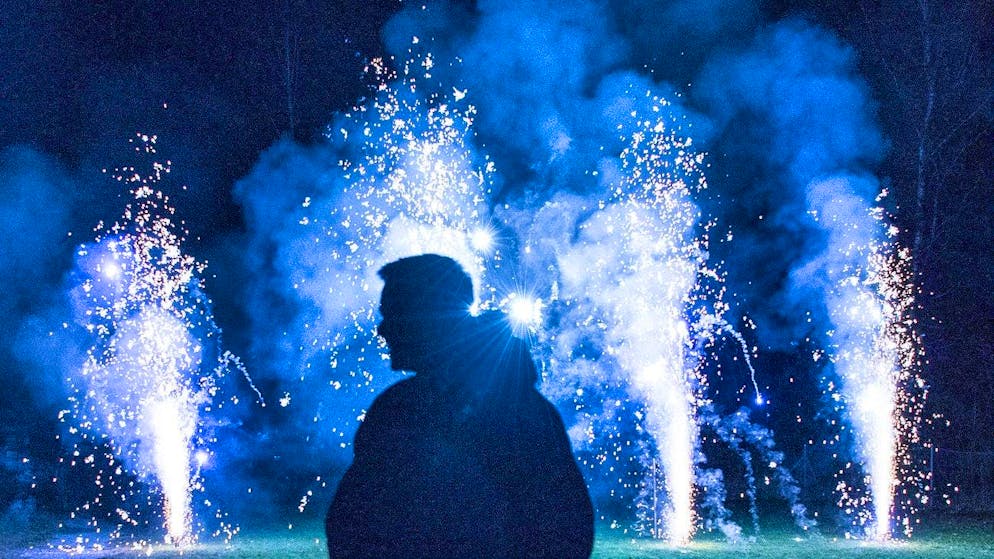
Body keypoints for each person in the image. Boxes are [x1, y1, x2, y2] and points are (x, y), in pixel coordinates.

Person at [326, 254, 594, 558]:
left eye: (393, 313)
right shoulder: (525, 409)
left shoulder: (403, 408)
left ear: (425, 315)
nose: (382, 330)